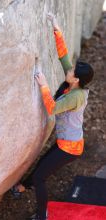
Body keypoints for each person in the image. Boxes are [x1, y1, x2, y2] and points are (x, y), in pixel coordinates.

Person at [11, 13, 94, 220]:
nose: (69, 68)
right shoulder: (74, 83)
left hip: (70, 148)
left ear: (76, 80)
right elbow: (63, 55)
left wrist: (44, 86)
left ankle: (42, 216)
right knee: (42, 166)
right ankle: (21, 188)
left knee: (40, 177)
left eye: (72, 70)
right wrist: (56, 27)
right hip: (66, 142)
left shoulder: (75, 97)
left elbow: (52, 108)